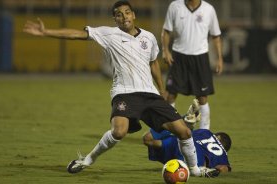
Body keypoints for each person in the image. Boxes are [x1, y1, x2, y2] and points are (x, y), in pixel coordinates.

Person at [23, 0, 216, 178]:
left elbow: (154, 63)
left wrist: (162, 89)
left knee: (184, 132)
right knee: (119, 132)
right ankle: (88, 159)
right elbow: (78, 34)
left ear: (134, 15)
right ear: (114, 19)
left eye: (127, 13)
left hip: (150, 95)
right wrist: (46, 32)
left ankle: (195, 170)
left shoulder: (148, 37)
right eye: (119, 14)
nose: (124, 17)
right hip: (124, 93)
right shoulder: (108, 34)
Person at [161, 0, 224, 130]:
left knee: (202, 97)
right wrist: (165, 50)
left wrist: (219, 58)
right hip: (178, 56)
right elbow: (166, 31)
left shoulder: (208, 9)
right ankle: (171, 128)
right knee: (170, 95)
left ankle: (204, 131)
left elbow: (216, 36)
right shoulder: (175, 6)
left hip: (200, 57)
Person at [142, 100, 232, 175]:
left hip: (178, 143)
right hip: (194, 160)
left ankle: (185, 120)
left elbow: (186, 134)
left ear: (218, 136)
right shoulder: (223, 155)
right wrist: (216, 172)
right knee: (189, 169)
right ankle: (200, 170)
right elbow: (223, 168)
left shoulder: (206, 132)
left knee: (148, 139)